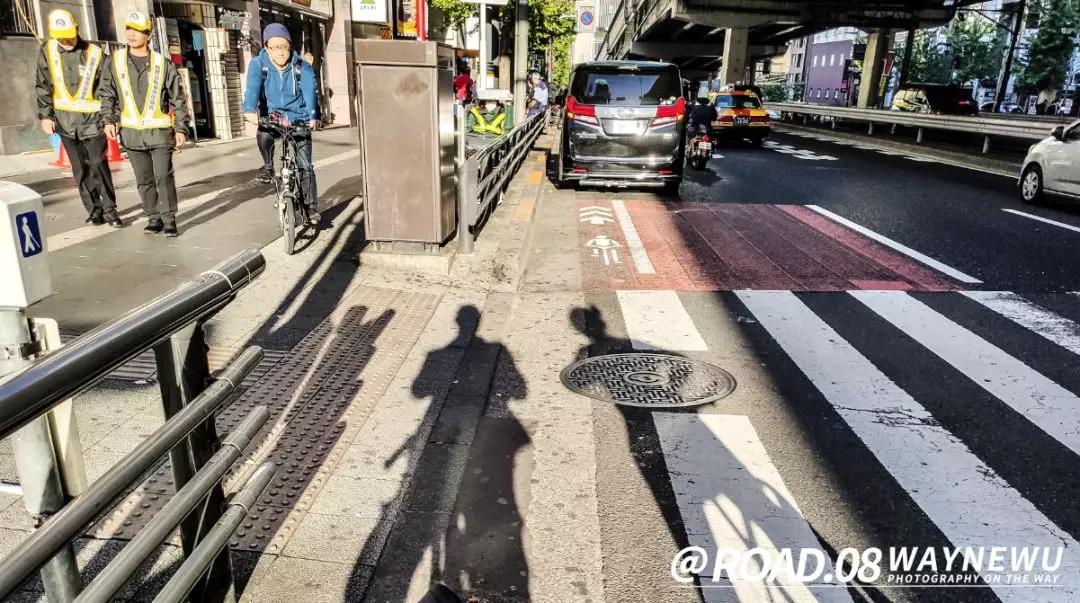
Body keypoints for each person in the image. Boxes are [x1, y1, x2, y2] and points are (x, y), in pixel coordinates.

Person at [99, 12, 191, 238]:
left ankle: (169, 219)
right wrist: (109, 119)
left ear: (148, 34)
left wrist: (181, 128)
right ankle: (153, 218)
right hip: (131, 133)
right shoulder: (115, 60)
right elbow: (107, 93)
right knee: (144, 179)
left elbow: (178, 98)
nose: (131, 33)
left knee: (163, 176)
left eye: (137, 29)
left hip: (159, 133)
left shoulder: (162, 64)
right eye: (128, 28)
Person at [35, 9, 121, 227]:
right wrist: (45, 115)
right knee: (80, 169)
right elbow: (43, 84)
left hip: (92, 121)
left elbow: (108, 89)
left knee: (97, 163)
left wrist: (110, 118)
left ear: (77, 29)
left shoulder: (95, 53)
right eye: (60, 36)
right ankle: (94, 210)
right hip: (64, 121)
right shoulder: (48, 51)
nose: (65, 40)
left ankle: (110, 209)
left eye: (68, 34)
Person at [243, 23, 321, 225]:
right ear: (267, 47)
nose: (280, 52)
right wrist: (250, 109)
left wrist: (314, 116)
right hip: (274, 116)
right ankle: (268, 167)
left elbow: (310, 93)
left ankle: (310, 208)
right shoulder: (259, 64)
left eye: (284, 47)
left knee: (305, 165)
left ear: (290, 46)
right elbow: (252, 87)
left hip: (299, 117)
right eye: (275, 47)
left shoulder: (301, 66)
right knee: (264, 134)